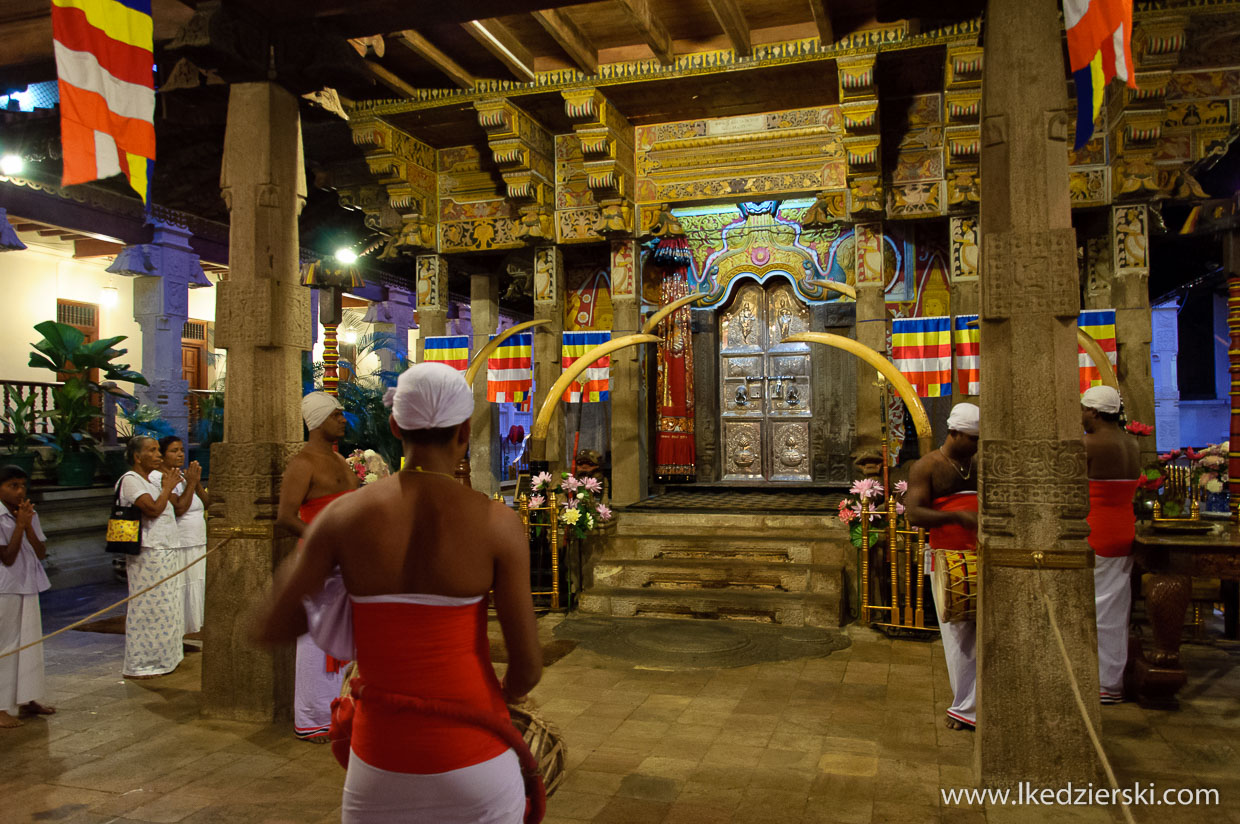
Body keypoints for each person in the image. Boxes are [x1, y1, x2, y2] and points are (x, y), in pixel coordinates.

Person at [256, 362, 542, 823]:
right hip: (476, 749)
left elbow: (274, 622)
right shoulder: (497, 524)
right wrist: (502, 696)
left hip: (380, 763)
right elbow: (527, 666)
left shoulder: (344, 517)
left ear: (394, 427)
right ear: (465, 431)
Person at [275, 391, 358, 742]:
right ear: (319, 420)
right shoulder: (303, 462)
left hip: (347, 561)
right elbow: (285, 517)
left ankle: (340, 708)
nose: (343, 419)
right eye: (336, 415)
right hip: (318, 560)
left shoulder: (340, 461)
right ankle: (311, 719)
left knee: (344, 636)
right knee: (314, 641)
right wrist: (324, 542)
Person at [905, 402, 980, 731]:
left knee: (983, 633)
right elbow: (914, 514)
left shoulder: (977, 462)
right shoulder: (927, 466)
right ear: (953, 433)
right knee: (958, 635)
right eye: (972, 439)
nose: (976, 445)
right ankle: (965, 706)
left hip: (981, 553)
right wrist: (956, 516)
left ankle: (977, 703)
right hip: (949, 558)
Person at [1080, 385, 1140, 704]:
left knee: (1093, 609)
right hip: (1123, 531)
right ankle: (1111, 682)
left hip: (1095, 531)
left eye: (1082, 410)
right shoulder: (1131, 443)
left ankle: (1100, 682)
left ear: (1094, 412)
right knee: (1116, 609)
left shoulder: (1088, 444)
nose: (1081, 416)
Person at [117, 436, 185, 678]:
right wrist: (168, 487)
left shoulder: (153, 481)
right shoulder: (131, 481)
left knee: (167, 606)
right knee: (149, 607)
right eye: (152, 451)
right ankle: (144, 661)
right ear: (137, 457)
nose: (158, 455)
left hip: (166, 548)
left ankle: (166, 657)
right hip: (148, 553)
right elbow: (154, 510)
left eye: (158, 450)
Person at [0, 465, 54, 727]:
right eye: (13, 486)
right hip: (6, 586)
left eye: (23, 485)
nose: (20, 491)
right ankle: (1, 707)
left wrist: (28, 524)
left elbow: (41, 551)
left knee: (31, 642)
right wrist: (20, 525)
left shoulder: (29, 512)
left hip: (28, 583)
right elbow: (8, 557)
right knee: (7, 645)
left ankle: (28, 697)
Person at [152, 437, 209, 635]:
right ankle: (180, 632)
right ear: (162, 455)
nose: (180, 454)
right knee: (183, 586)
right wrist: (191, 484)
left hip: (197, 540)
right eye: (174, 451)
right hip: (182, 541)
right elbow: (180, 508)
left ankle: (193, 630)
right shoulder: (160, 478)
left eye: (181, 450)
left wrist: (196, 482)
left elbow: (207, 503)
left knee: (197, 584)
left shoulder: (183, 477)